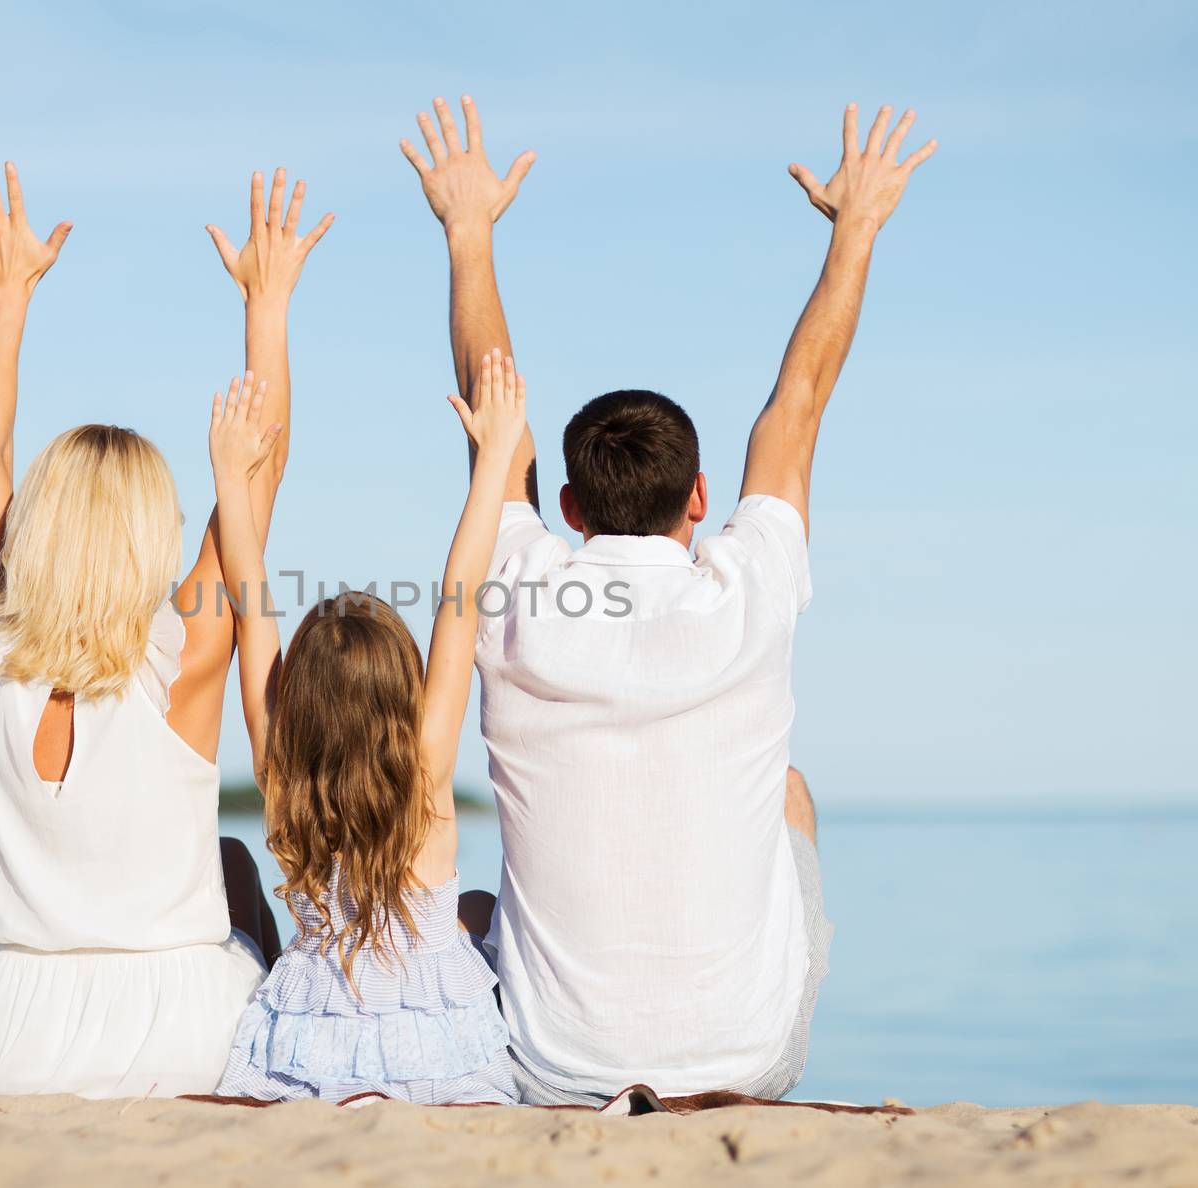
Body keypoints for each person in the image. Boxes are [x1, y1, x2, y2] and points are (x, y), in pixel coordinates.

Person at [400, 96, 937, 1105]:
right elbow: (800, 401)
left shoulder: (515, 585)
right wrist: (856, 228)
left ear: (565, 505)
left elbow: (491, 416)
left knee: (470, 906)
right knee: (786, 789)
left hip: (550, 1066)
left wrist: (466, 233)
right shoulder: (748, 588)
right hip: (748, 1061)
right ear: (701, 497)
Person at [0, 161, 331, 1098]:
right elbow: (258, 476)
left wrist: (8, 290)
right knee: (234, 867)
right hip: (184, 1031)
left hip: (13, 1038)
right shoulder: (179, 660)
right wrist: (267, 305)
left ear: (36, 528)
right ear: (147, 532)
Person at [210, 355, 524, 1104]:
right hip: (441, 1053)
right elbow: (461, 595)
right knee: (476, 908)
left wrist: (230, 476)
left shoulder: (281, 772)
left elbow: (254, 618)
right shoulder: (426, 767)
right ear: (404, 690)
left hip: (310, 1037)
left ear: (301, 701)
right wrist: (496, 458)